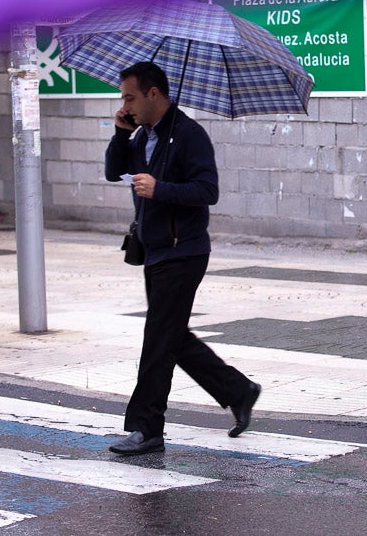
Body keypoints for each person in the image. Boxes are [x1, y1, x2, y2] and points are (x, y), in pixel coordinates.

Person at [103, 61, 260, 456]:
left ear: (153, 94)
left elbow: (207, 191)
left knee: (157, 340)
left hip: (184, 251)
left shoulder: (189, 135)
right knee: (171, 335)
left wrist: (161, 189)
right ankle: (238, 390)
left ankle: (147, 428)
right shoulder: (143, 136)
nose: (126, 104)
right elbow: (112, 172)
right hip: (154, 250)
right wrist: (121, 134)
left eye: (130, 97)